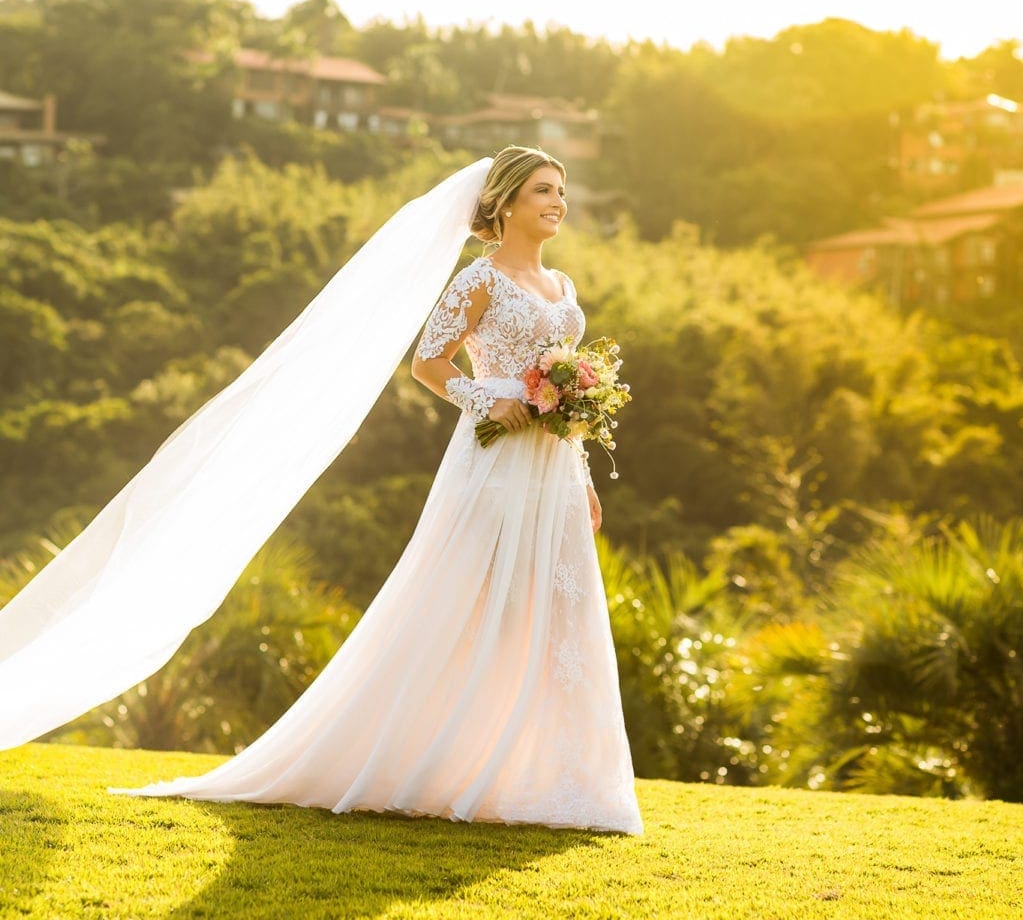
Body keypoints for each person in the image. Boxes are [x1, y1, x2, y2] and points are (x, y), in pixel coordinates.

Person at [7, 146, 643, 834]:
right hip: (493, 464)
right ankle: (430, 758)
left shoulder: (563, 285)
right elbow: (427, 363)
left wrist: (579, 475)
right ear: (508, 202)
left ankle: (557, 779)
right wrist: (485, 400)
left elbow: (562, 394)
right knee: (465, 602)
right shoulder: (479, 280)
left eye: (562, 192)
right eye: (545, 191)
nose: (559, 203)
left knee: (554, 610)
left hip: (551, 469)